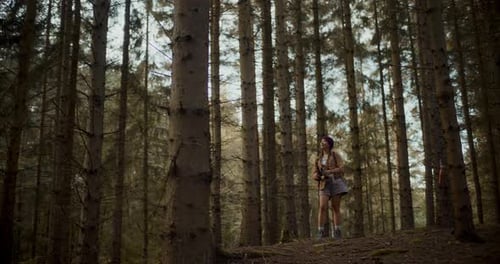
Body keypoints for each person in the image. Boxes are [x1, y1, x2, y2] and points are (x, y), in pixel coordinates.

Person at [312, 136, 348, 239]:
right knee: (322, 207)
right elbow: (314, 173)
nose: (322, 143)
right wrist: (317, 176)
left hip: (336, 182)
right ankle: (320, 232)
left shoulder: (335, 155)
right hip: (324, 184)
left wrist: (330, 171)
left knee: (335, 207)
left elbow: (341, 168)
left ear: (329, 144)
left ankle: (337, 231)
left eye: (324, 142)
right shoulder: (318, 158)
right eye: (321, 142)